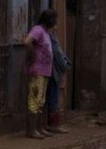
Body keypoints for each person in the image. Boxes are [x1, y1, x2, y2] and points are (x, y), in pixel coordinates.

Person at [23, 9, 57, 139]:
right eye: (54, 19)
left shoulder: (46, 32)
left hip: (44, 71)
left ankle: (39, 128)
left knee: (40, 101)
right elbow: (27, 42)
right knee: (34, 100)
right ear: (49, 20)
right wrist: (31, 55)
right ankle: (31, 130)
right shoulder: (38, 30)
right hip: (37, 71)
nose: (56, 22)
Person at [45, 27, 71, 133]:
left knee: (51, 96)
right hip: (52, 69)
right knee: (53, 97)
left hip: (48, 68)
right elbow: (57, 53)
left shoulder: (48, 34)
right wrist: (65, 64)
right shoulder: (50, 36)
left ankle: (50, 124)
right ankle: (54, 125)